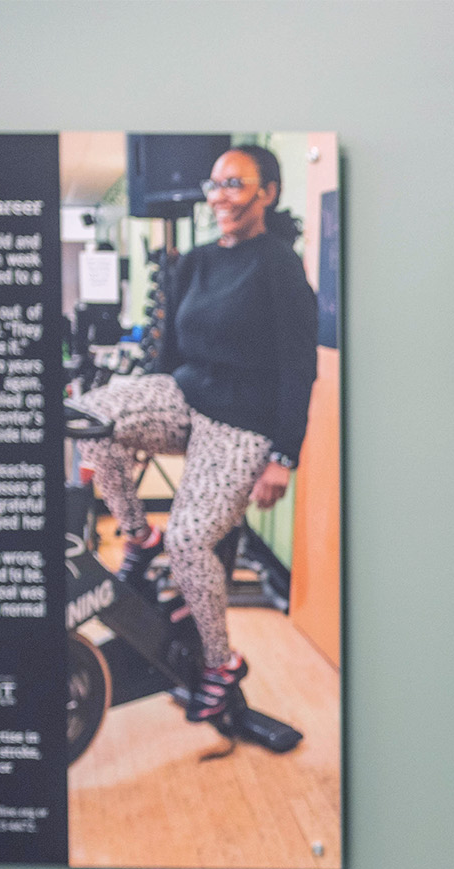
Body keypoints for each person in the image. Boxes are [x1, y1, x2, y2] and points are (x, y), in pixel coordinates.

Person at [73, 143, 317, 724]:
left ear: (268, 192)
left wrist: (283, 456)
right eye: (214, 185)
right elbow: (166, 355)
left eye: (235, 183)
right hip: (185, 396)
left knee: (190, 542)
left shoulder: (278, 263)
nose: (220, 196)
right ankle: (137, 536)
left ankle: (220, 661)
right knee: (88, 415)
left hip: (244, 423)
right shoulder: (196, 262)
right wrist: (141, 410)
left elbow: (297, 367)